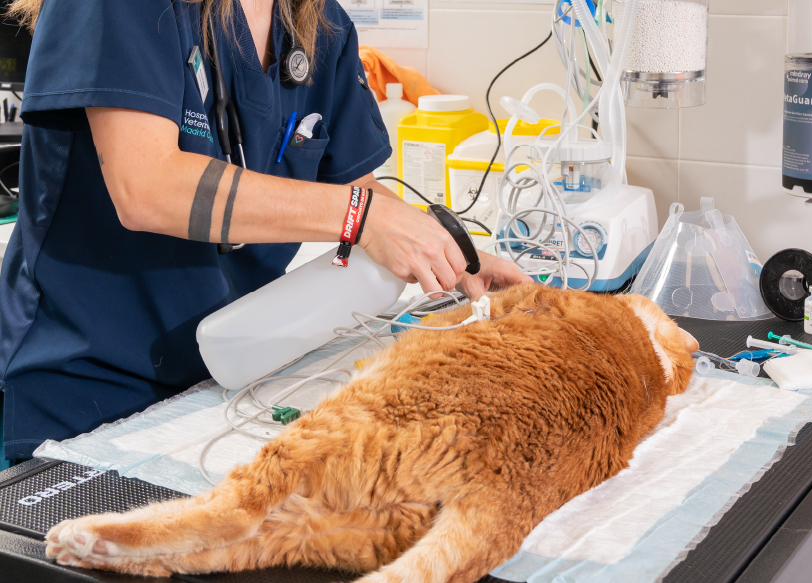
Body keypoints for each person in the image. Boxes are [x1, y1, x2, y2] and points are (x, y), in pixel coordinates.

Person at [0, 0, 529, 461]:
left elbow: (360, 192)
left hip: (223, 377)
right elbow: (147, 186)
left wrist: (450, 252)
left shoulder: (317, 25)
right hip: (85, 387)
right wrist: (360, 216)